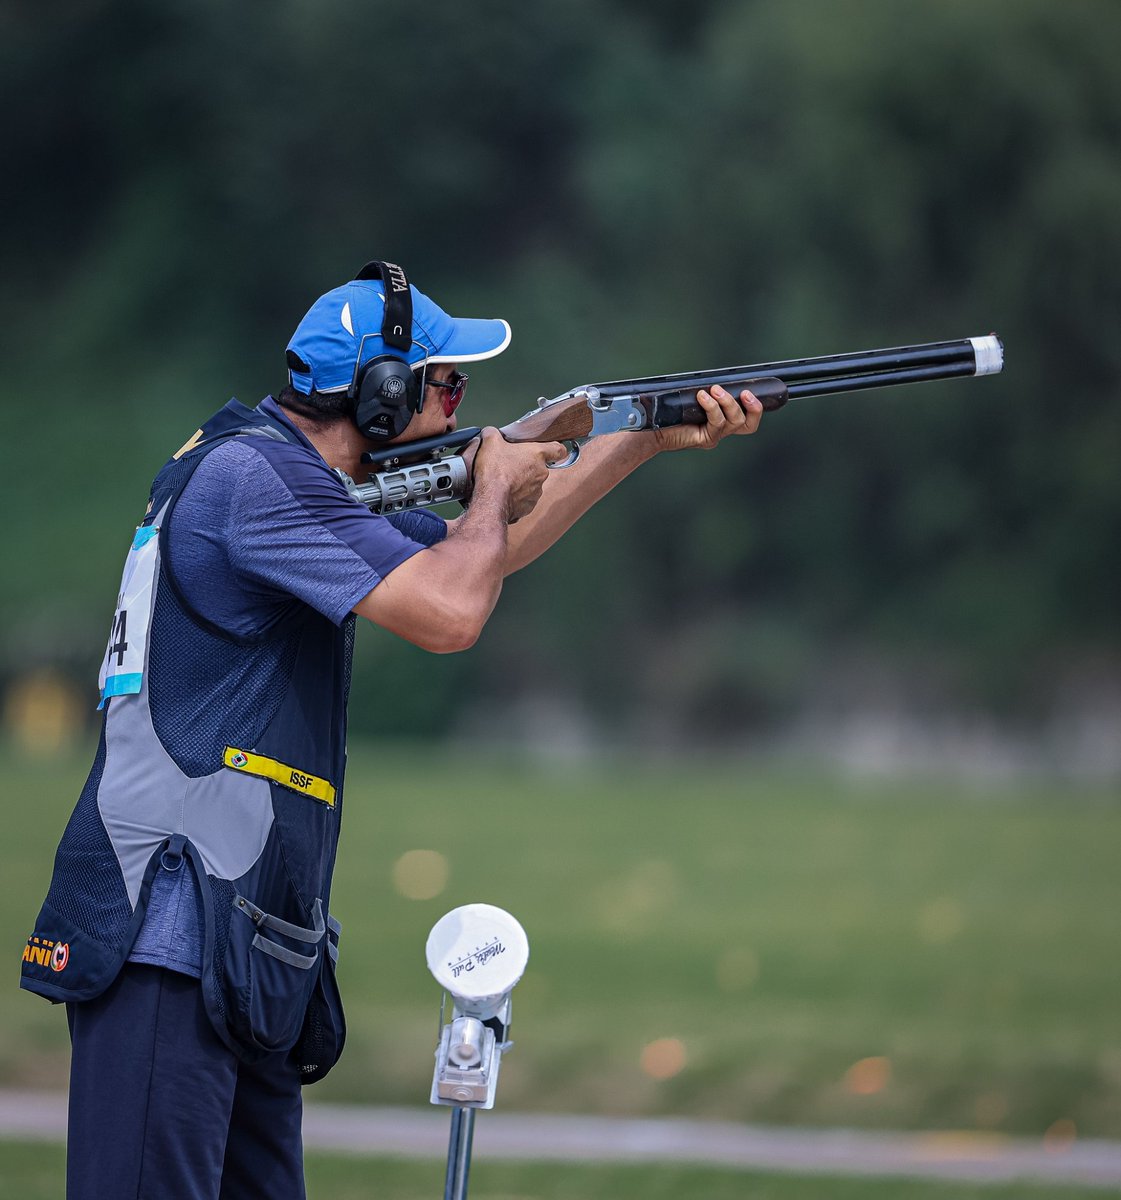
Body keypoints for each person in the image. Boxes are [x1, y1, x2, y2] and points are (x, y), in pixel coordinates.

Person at [21, 260, 763, 1199]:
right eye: (444, 385)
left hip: (236, 939)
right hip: (168, 932)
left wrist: (640, 440)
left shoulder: (285, 477)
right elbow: (453, 612)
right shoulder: (253, 483)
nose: (463, 403)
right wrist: (489, 486)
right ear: (378, 398)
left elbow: (481, 561)